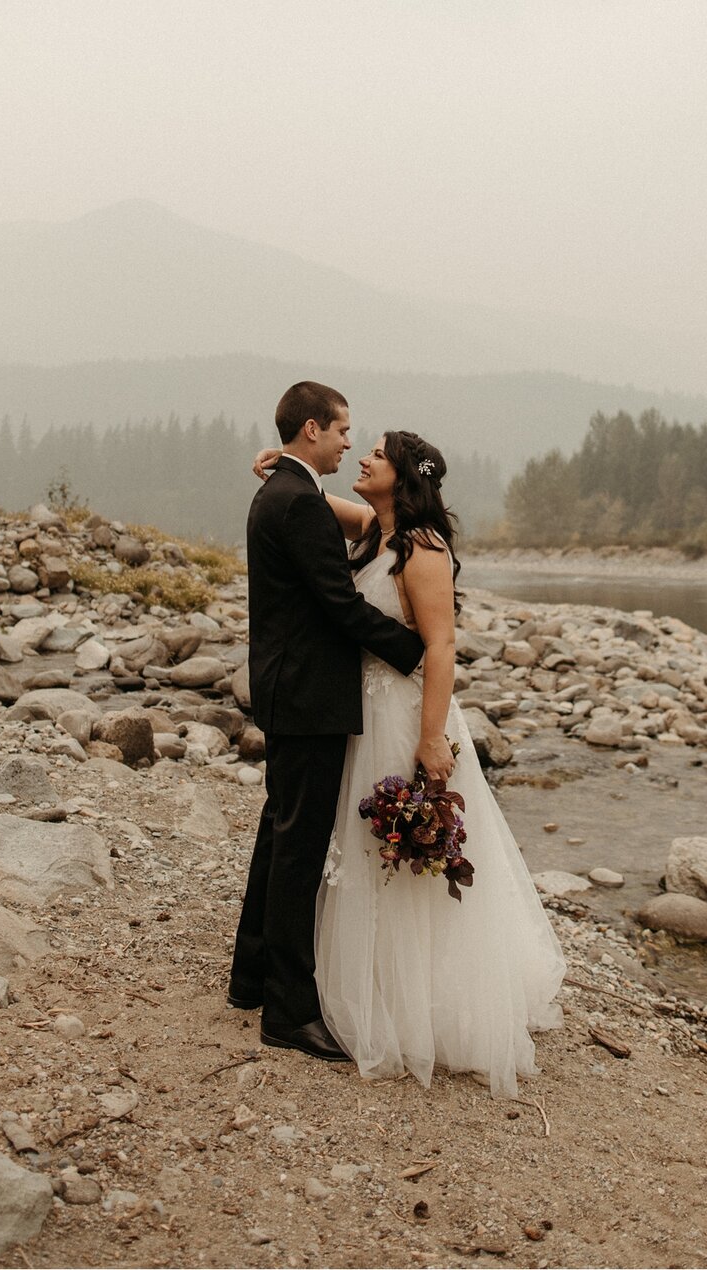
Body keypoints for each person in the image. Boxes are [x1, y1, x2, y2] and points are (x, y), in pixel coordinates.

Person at [248, 427, 566, 1093]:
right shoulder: (376, 527)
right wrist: (282, 465)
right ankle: (361, 984)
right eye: (352, 444)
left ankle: (415, 1000)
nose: (361, 457)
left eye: (375, 455)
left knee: (402, 851)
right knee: (357, 848)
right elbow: (314, 500)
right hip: (361, 714)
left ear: (402, 476)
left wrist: (431, 740)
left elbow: (441, 648)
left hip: (404, 714)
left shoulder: (421, 548)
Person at [228, 381, 424, 1061]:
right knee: (298, 853)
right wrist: (412, 650)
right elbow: (341, 606)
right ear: (312, 429)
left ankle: (251, 977)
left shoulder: (282, 492)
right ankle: (287, 1010)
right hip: (308, 697)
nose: (349, 442)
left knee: (277, 839)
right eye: (343, 431)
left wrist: (276, 460)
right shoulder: (299, 503)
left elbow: (369, 532)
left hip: (289, 692)